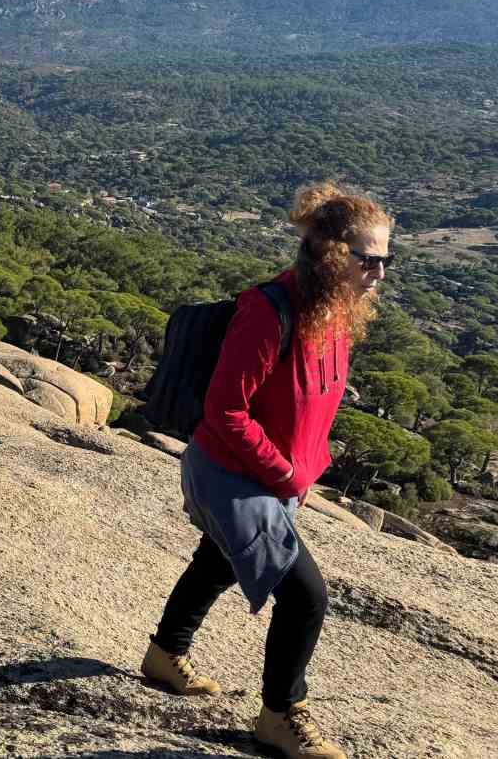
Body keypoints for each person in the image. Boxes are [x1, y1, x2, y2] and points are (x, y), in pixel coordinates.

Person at [142, 183, 391, 759]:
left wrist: (306, 467)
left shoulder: (332, 309)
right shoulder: (268, 311)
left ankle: (164, 654)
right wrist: (283, 473)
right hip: (235, 474)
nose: (379, 272)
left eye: (386, 259)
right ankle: (281, 715)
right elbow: (224, 409)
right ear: (332, 254)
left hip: (277, 476)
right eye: (369, 259)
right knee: (306, 597)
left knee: (217, 560)